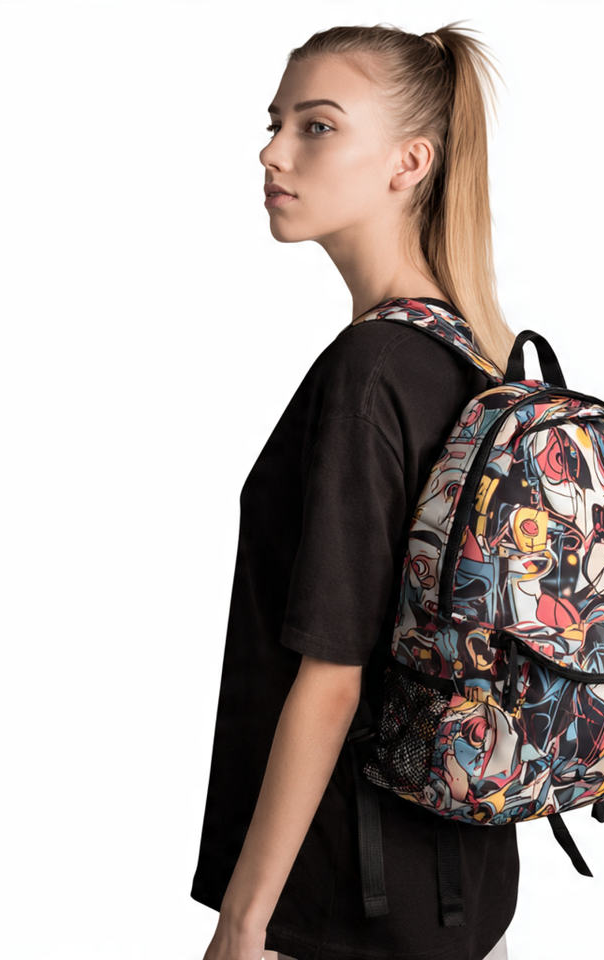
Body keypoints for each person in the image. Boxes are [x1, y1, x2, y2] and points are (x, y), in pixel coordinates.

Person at [191, 21, 521, 960]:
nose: (273, 151)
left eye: (318, 126)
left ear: (409, 162)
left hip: (348, 904)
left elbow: (333, 680)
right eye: (276, 123)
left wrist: (245, 920)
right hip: (463, 886)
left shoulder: (371, 370)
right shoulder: (473, 359)